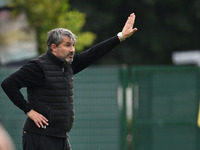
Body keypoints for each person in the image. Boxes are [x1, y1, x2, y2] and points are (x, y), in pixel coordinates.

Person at [1, 13, 137, 150]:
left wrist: (121, 37)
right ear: (54, 47)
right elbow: (8, 84)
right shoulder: (38, 67)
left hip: (61, 137)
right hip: (39, 137)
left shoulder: (68, 65)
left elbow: (93, 53)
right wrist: (28, 110)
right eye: (67, 45)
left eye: (73, 45)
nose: (72, 50)